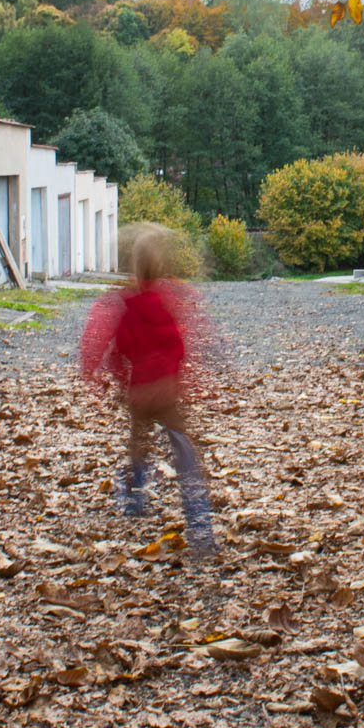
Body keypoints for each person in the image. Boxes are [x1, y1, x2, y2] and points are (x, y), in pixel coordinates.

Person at [78, 224, 218, 558]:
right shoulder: (168, 302)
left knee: (139, 448)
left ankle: (132, 500)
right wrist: (185, 377)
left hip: (139, 393)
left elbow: (115, 346)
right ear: (160, 267)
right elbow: (181, 344)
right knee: (185, 455)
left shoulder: (126, 305)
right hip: (166, 393)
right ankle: (200, 524)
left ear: (135, 268)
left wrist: (105, 374)